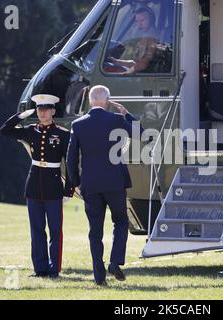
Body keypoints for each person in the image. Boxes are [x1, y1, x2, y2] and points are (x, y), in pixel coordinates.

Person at [66, 85, 143, 286]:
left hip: (90, 184)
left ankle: (99, 276)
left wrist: (75, 183)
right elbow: (142, 134)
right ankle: (115, 261)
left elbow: (71, 157)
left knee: (95, 231)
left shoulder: (78, 124)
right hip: (115, 182)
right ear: (107, 100)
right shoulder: (116, 120)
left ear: (90, 101)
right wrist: (127, 115)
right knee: (121, 222)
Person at [0, 94, 74, 279]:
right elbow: (5, 130)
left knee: (55, 231)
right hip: (33, 186)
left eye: (46, 109)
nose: (42, 113)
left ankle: (53, 269)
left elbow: (71, 164)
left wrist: (68, 190)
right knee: (37, 230)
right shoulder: (30, 130)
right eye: (39, 109)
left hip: (54, 186)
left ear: (53, 111)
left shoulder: (63, 134)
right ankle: (40, 269)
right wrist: (20, 116)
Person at [108, 7, 158, 75]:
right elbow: (135, 63)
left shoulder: (152, 39)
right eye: (137, 21)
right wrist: (116, 61)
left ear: (151, 20)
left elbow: (143, 64)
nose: (139, 24)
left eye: (142, 20)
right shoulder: (145, 37)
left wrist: (127, 73)